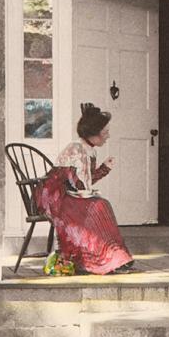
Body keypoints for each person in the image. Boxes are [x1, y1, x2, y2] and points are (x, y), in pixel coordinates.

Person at [35, 102, 135, 275]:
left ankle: (114, 257)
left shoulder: (90, 150)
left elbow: (85, 182)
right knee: (99, 205)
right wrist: (91, 192)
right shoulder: (77, 149)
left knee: (100, 204)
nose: (107, 136)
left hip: (71, 195)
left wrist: (104, 168)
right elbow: (78, 184)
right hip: (56, 198)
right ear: (93, 133)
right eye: (105, 133)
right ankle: (100, 259)